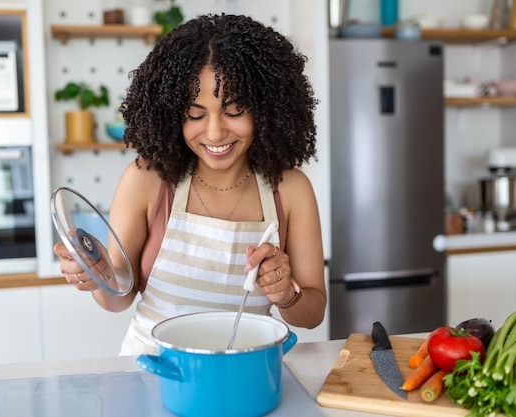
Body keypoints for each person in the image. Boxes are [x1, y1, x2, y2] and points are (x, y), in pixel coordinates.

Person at [54, 13, 327, 355]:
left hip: (242, 373)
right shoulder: (146, 181)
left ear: (267, 109)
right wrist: (96, 275)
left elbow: (313, 314)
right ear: (171, 113)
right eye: (196, 115)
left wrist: (287, 293)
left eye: (234, 111)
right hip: (151, 371)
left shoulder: (290, 189)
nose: (214, 133)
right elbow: (116, 299)